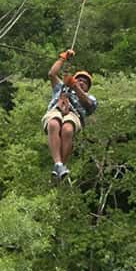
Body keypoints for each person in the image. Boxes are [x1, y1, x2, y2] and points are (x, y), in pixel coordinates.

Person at [42, 49, 98, 180]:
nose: (82, 82)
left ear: (88, 88)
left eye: (85, 82)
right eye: (79, 79)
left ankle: (61, 165)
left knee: (67, 129)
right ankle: (58, 164)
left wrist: (75, 86)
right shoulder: (61, 87)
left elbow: (88, 104)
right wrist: (63, 58)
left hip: (74, 114)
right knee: (53, 123)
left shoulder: (90, 98)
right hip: (56, 109)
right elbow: (52, 74)